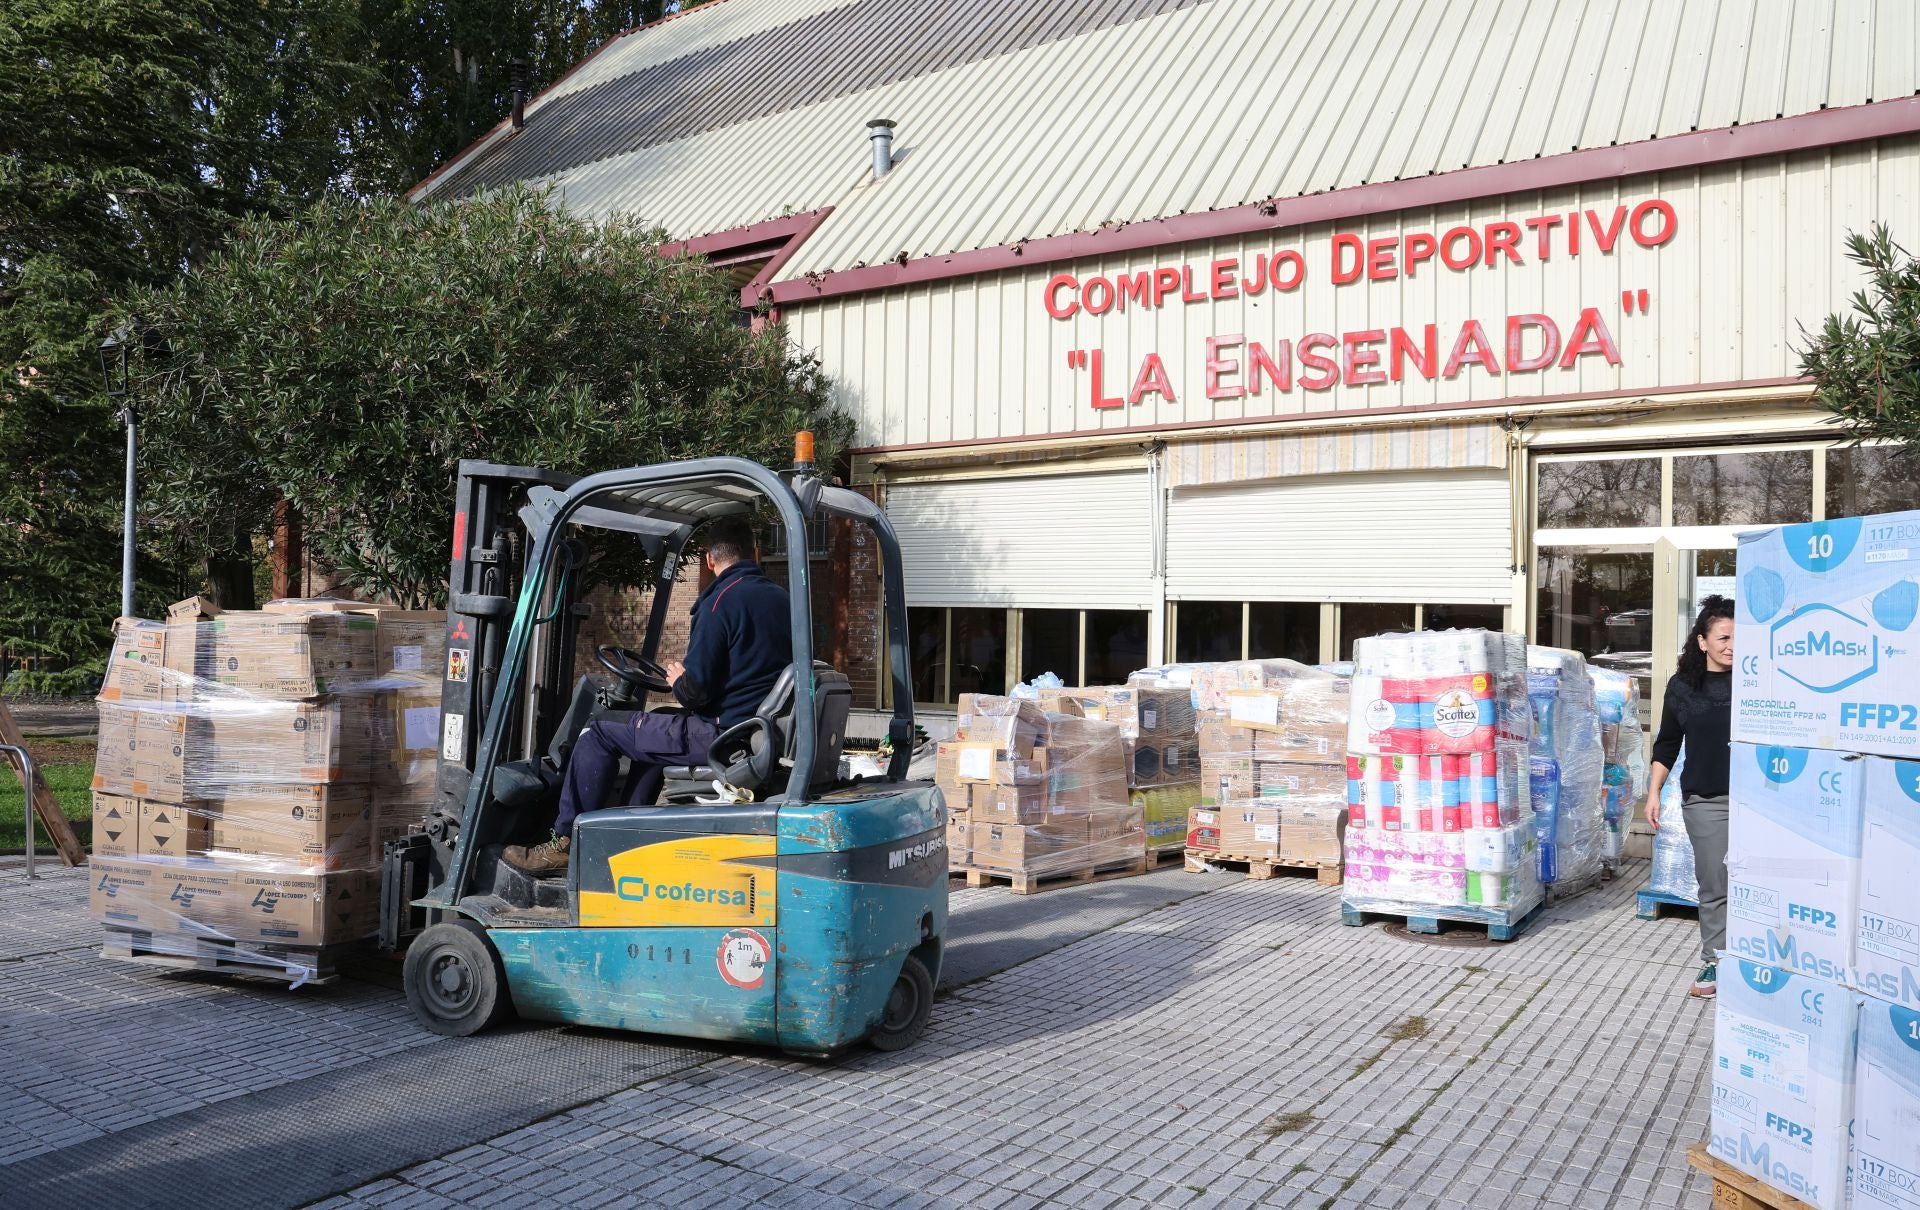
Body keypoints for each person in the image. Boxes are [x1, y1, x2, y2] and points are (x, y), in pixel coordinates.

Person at [502, 517, 793, 876]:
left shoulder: (719, 603)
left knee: (598, 732)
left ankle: (563, 843)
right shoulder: (783, 600)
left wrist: (678, 679)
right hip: (751, 730)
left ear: (709, 559)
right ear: (754, 554)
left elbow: (695, 693)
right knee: (656, 728)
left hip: (718, 735)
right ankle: (628, 834)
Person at [1644, 594, 1735, 999]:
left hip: (1764, 801)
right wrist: (1653, 793)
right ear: (1702, 641)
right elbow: (1667, 744)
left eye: (1740, 637)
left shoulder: (1760, 681)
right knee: (1715, 881)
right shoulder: (1683, 687)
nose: (1732, 645)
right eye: (1724, 637)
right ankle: (1716, 962)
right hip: (1708, 801)